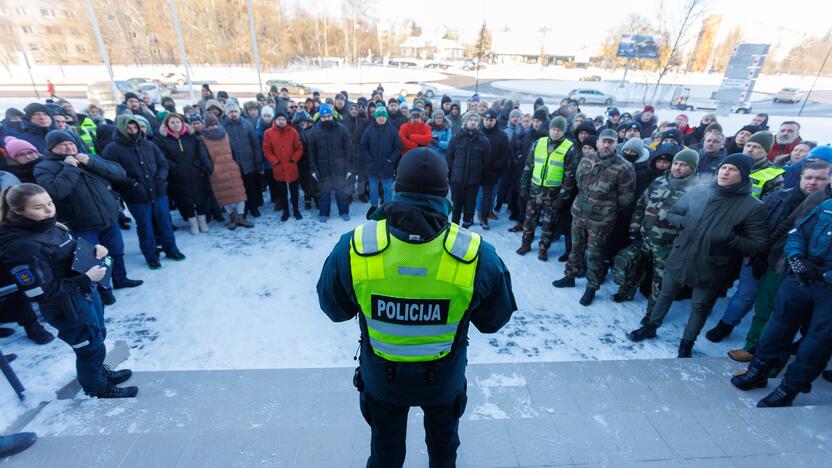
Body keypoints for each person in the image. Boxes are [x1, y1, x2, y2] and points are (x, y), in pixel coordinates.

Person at [317, 147, 516, 468]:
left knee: (385, 452)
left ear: (396, 186)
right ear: (446, 190)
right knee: (443, 448)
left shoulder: (355, 246)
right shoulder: (475, 253)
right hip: (444, 381)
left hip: (382, 381)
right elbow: (495, 319)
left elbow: (333, 309)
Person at [0, 183, 138, 398]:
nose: (49, 210)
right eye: (38, 207)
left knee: (97, 337)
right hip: (66, 307)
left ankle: (99, 375)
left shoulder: (53, 226)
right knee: (88, 347)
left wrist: (94, 252)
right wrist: (85, 279)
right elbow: (41, 293)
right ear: (18, 211)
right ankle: (96, 388)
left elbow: (70, 255)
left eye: (50, 203)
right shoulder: (22, 247)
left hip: (83, 295)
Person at [627, 154, 769, 357]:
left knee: (700, 306)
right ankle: (650, 327)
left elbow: (758, 244)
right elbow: (674, 212)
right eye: (723, 167)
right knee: (665, 295)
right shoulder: (701, 191)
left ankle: (687, 343)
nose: (725, 172)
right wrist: (685, 222)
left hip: (712, 263)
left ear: (744, 175)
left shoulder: (753, 206)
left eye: (732, 169)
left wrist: (730, 237)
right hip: (681, 254)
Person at [708, 160, 831, 344]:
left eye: (820, 179)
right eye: (809, 177)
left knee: (775, 308)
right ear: (800, 178)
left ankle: (761, 343)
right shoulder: (778, 196)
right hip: (759, 255)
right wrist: (755, 252)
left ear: (829, 179)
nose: (813, 182)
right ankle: (726, 324)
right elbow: (755, 226)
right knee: (745, 294)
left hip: (793, 267)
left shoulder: (826, 208)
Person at [731, 196, 832, 407]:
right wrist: (796, 258)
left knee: (816, 343)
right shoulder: (827, 206)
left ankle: (789, 389)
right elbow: (797, 234)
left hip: (827, 291)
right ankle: (758, 371)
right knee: (776, 329)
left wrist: (824, 276)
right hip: (799, 281)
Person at [34, 130, 143, 303]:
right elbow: (56, 191)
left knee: (115, 251)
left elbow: (119, 172)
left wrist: (91, 162)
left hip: (108, 217)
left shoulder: (87, 157)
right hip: (81, 224)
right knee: (91, 259)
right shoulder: (44, 167)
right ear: (52, 148)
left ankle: (120, 279)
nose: (68, 147)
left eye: (71, 144)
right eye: (62, 145)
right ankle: (102, 289)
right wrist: (69, 167)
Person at [553, 128, 636, 306]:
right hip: (579, 213)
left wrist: (607, 208)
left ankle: (592, 286)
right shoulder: (587, 160)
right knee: (575, 249)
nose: (606, 145)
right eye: (604, 141)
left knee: (595, 255)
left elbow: (626, 197)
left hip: (601, 220)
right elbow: (579, 182)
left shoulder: (624, 167)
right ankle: (570, 275)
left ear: (615, 144)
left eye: (610, 142)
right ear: (597, 142)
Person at [612, 149, 699, 315]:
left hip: (669, 246)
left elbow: (694, 224)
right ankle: (626, 292)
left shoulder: (697, 191)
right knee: (635, 266)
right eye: (676, 164)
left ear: (692, 168)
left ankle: (652, 313)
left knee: (660, 281)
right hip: (645, 237)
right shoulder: (660, 181)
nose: (677, 168)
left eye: (683, 165)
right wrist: (635, 228)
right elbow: (641, 205)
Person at [102, 116, 185, 270]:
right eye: (129, 128)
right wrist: (132, 183)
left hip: (158, 192)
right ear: (121, 129)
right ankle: (151, 255)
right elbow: (111, 173)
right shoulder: (112, 149)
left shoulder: (149, 145)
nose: (133, 131)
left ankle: (171, 249)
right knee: (145, 227)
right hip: (136, 196)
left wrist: (161, 178)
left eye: (135, 128)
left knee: (165, 222)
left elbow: (162, 164)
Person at [516, 116, 575, 259]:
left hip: (553, 193)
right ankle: (526, 243)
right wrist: (524, 185)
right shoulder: (538, 143)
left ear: (563, 131)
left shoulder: (569, 148)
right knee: (529, 219)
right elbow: (528, 166)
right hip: (535, 189)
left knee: (548, 223)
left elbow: (569, 176)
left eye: (559, 130)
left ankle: (543, 247)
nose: (555, 133)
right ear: (549, 130)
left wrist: (562, 197)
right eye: (553, 129)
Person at [154, 113, 213, 235]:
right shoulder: (162, 139)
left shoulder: (191, 136)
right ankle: (193, 223)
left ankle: (202, 221)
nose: (175, 125)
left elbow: (200, 152)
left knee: (200, 197)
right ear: (167, 125)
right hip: (178, 175)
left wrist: (197, 165)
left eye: (177, 122)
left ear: (182, 123)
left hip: (195, 172)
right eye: (172, 122)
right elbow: (162, 157)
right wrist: (175, 168)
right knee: (185, 199)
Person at [200, 114, 252, 229]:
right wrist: (212, 169)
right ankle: (232, 218)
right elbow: (204, 156)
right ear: (206, 126)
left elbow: (234, 150)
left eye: (214, 124)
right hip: (217, 172)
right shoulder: (203, 138)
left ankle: (241, 217)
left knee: (240, 194)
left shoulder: (225, 134)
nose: (213, 127)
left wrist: (236, 163)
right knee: (225, 196)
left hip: (232, 168)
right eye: (210, 125)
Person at [309, 104, 354, 222]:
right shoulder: (314, 131)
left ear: (332, 116)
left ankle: (344, 212)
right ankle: (324, 213)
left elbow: (349, 149)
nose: (326, 119)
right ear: (320, 117)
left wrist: (349, 167)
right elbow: (311, 152)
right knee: (324, 193)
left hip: (339, 167)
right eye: (323, 117)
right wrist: (313, 168)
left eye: (328, 116)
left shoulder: (341, 129)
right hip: (323, 168)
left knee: (341, 192)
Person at [447, 112, 490, 228]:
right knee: (456, 206)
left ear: (478, 123)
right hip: (457, 179)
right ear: (465, 121)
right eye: (470, 119)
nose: (473, 122)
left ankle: (466, 227)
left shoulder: (483, 141)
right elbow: (449, 157)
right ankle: (454, 228)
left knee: (470, 206)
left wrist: (478, 175)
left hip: (473, 181)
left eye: (475, 120)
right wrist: (452, 174)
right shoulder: (456, 138)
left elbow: (486, 161)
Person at [223, 102, 264, 217]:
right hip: (234, 163)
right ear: (227, 113)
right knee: (239, 189)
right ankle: (243, 210)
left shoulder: (246, 124)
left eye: (235, 111)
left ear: (239, 112)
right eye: (231, 112)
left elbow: (255, 143)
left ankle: (254, 207)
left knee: (251, 187)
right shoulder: (223, 126)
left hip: (249, 162)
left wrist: (257, 160)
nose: (233, 114)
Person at [359, 106, 402, 213]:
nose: (381, 118)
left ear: (387, 117)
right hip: (373, 167)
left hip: (387, 166)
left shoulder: (392, 129)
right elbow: (363, 146)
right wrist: (369, 159)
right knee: (373, 189)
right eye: (379, 116)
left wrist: (392, 159)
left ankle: (388, 208)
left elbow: (398, 147)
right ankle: (374, 206)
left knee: (387, 189)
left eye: (383, 116)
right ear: (375, 117)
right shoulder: (369, 130)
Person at [262, 111, 304, 221]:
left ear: (286, 120)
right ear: (275, 120)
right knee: (282, 192)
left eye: (283, 119)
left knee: (294, 191)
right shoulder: (268, 133)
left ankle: (296, 209)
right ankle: (286, 211)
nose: (281, 121)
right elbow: (266, 150)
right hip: (278, 167)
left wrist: (293, 160)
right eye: (279, 119)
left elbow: (299, 148)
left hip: (291, 166)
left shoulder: (293, 132)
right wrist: (275, 162)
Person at [478, 109, 509, 230]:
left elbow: (505, 154)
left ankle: (486, 214)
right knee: (480, 196)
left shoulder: (502, 135)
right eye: (486, 120)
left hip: (494, 172)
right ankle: (480, 214)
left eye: (491, 120)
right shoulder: (478, 133)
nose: (488, 122)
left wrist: (496, 167)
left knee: (490, 196)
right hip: (479, 171)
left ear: (495, 121)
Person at [744, 131, 784, 199]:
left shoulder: (773, 175)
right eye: (748, 146)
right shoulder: (731, 164)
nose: (749, 150)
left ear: (766, 151)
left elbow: (771, 202)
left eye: (756, 147)